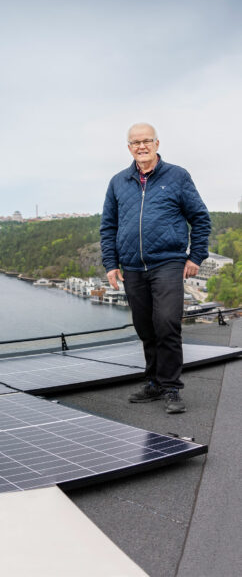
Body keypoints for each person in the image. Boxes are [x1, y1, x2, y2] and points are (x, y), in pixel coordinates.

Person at [100, 123, 210, 414]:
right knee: (145, 326)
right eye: (135, 142)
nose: (141, 146)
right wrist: (111, 264)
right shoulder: (118, 182)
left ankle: (171, 387)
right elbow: (108, 227)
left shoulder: (177, 176)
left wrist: (196, 256)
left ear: (157, 143)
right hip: (132, 266)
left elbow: (200, 217)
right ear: (128, 148)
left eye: (146, 140)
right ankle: (154, 382)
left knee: (167, 323)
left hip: (168, 262)